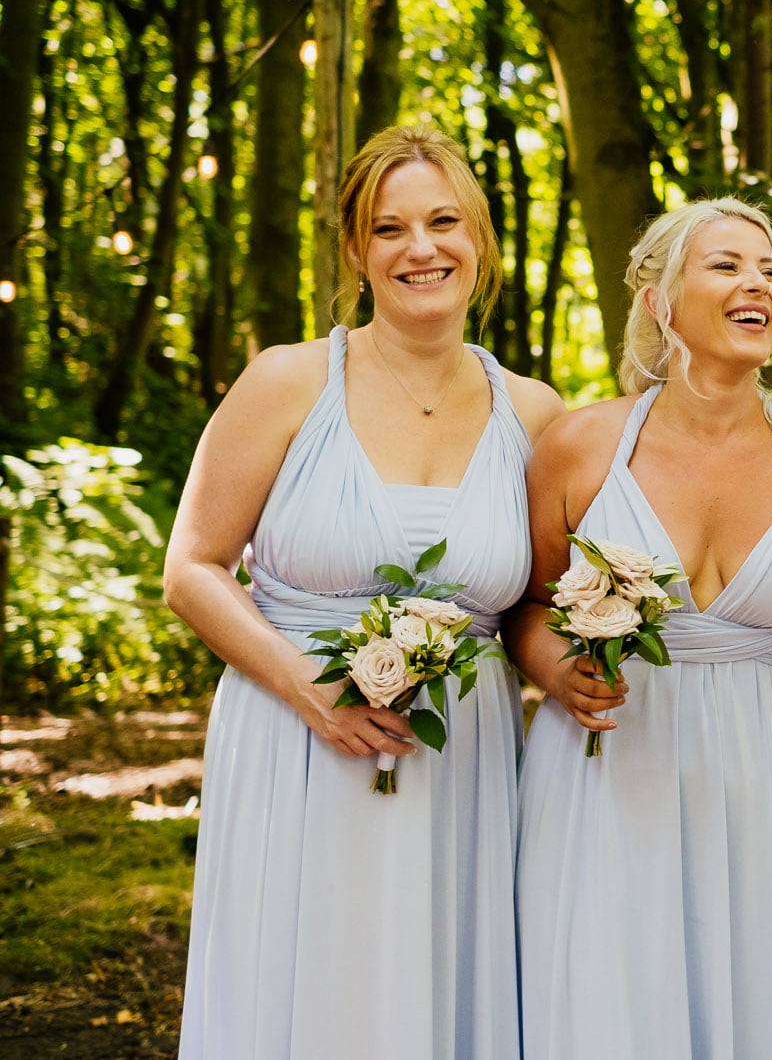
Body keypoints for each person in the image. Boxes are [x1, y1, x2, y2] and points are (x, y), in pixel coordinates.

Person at [165, 126, 565, 1059]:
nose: (420, 249)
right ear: (355, 249)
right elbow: (192, 567)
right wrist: (309, 686)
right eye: (390, 229)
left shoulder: (538, 415)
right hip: (295, 742)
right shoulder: (288, 382)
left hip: (461, 759)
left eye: (442, 221)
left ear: (480, 238)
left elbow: (537, 609)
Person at [508, 198, 772, 1059]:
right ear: (660, 301)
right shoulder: (578, 446)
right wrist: (557, 667)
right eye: (727, 264)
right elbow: (524, 602)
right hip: (605, 770)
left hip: (763, 782)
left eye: (771, 269)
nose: (756, 283)